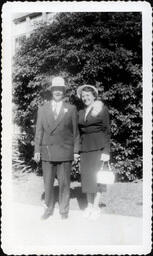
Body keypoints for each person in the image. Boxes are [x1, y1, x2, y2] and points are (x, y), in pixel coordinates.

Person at [34, 76, 79, 220]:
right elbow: (39, 131)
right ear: (52, 91)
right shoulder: (42, 109)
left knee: (65, 183)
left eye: (60, 89)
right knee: (47, 183)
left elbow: (76, 132)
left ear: (64, 91)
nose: (58, 92)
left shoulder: (71, 109)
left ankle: (64, 211)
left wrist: (76, 151)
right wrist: (37, 150)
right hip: (47, 151)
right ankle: (48, 209)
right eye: (55, 90)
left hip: (65, 152)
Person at [77, 84, 110, 220]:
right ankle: (89, 206)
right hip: (85, 149)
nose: (85, 98)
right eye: (83, 96)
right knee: (87, 178)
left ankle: (96, 208)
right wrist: (77, 150)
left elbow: (107, 131)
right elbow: (78, 132)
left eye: (88, 96)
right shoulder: (80, 112)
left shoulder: (102, 109)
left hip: (98, 148)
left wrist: (106, 151)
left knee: (97, 179)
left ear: (94, 96)